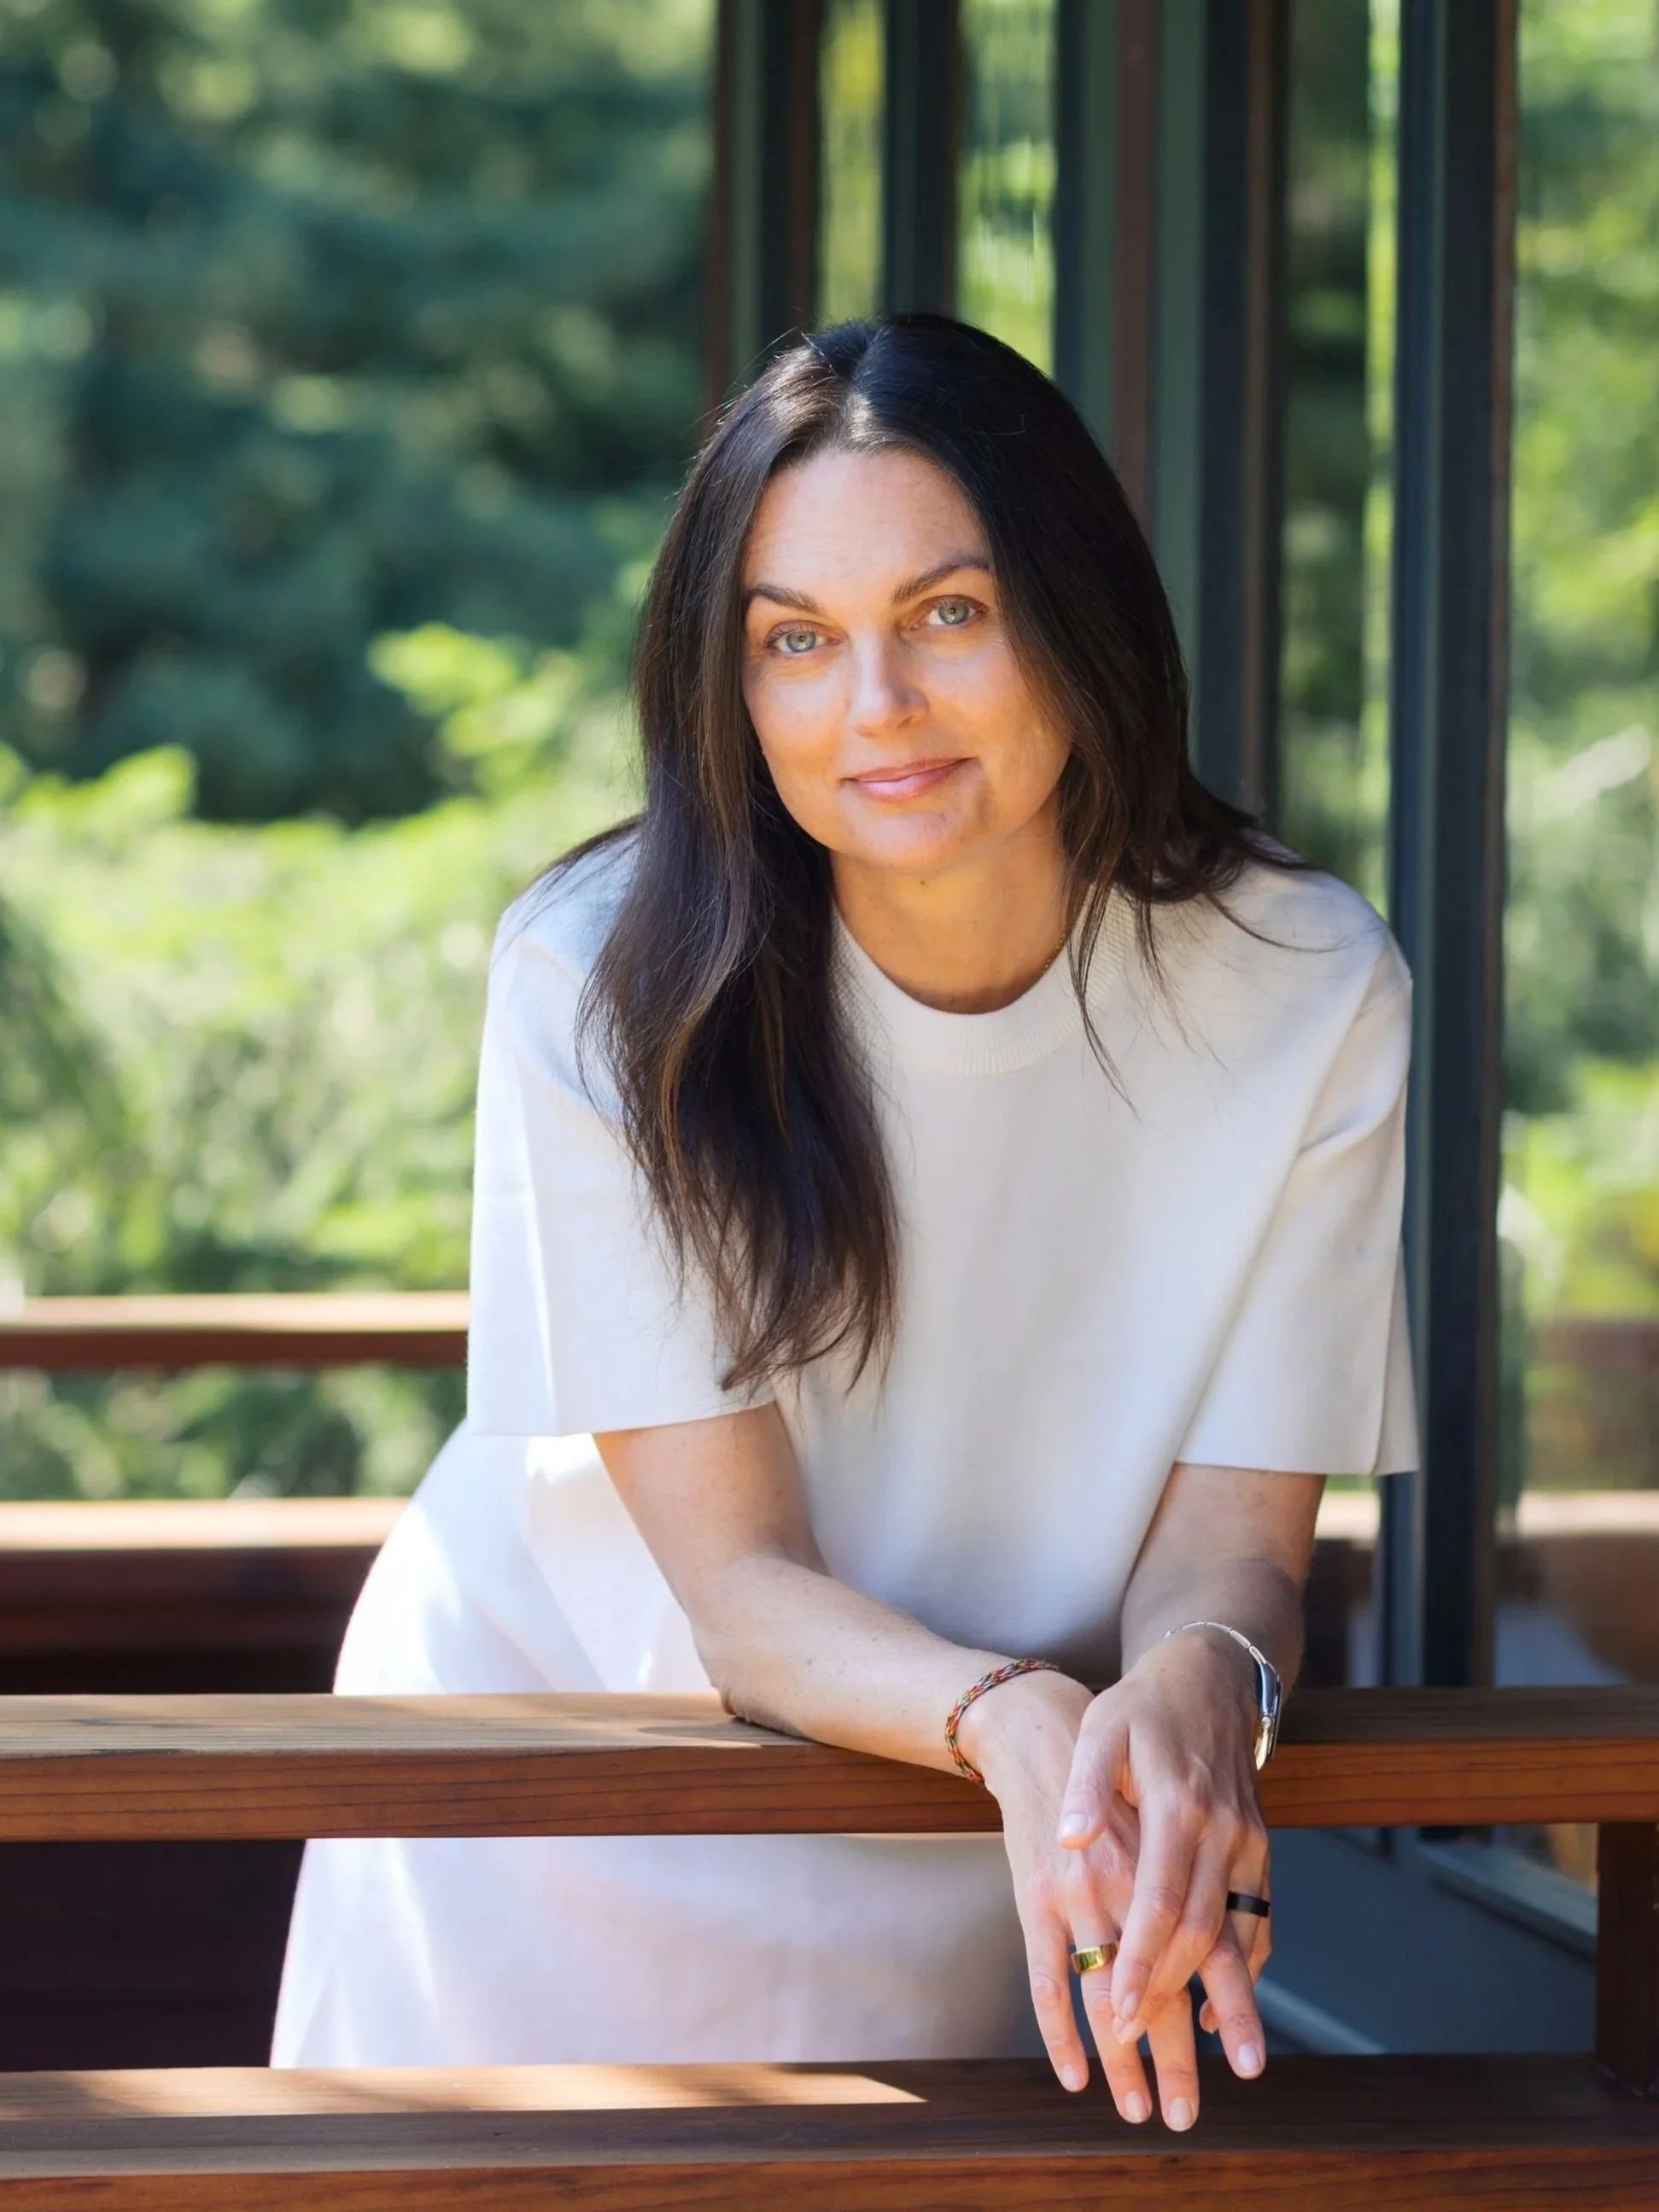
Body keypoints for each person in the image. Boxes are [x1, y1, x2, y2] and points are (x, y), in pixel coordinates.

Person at [270, 312, 1419, 2136]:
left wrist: (1203, 1687)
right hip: (576, 1774)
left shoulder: (1305, 986)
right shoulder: (599, 979)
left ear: (1077, 616)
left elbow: (1234, 1545)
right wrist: (1022, 1713)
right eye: (795, 642)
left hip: (984, 1813)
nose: (872, 707)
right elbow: (734, 1593)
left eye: (948, 614)